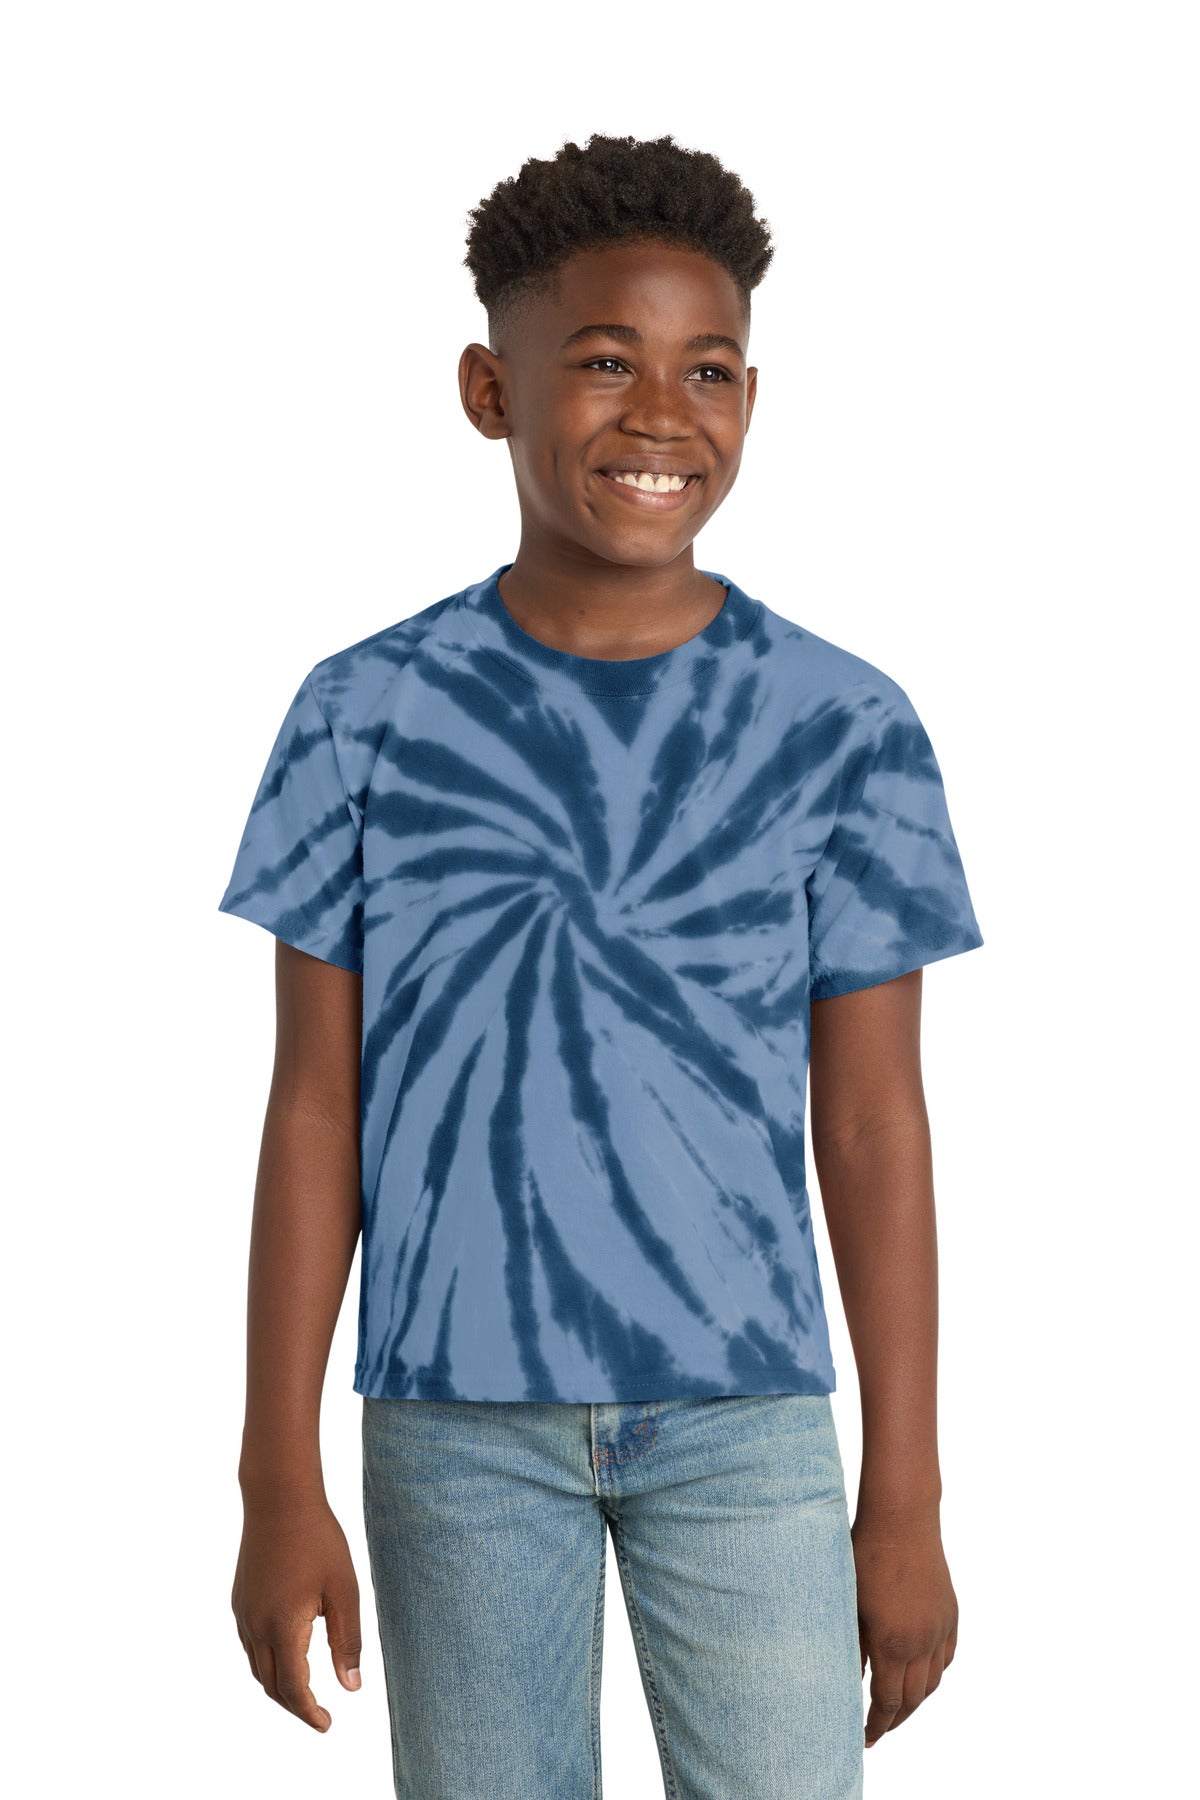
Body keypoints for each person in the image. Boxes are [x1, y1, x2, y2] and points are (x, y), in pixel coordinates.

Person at [218, 132, 984, 1800]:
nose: (660, 414)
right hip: (456, 1426)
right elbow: (313, 1108)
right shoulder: (362, 713)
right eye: (604, 362)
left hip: (748, 1419)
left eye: (707, 370)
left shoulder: (845, 727)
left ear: (752, 399)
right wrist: (277, 1470)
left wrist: (906, 1494)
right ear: (490, 390)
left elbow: (873, 1124)